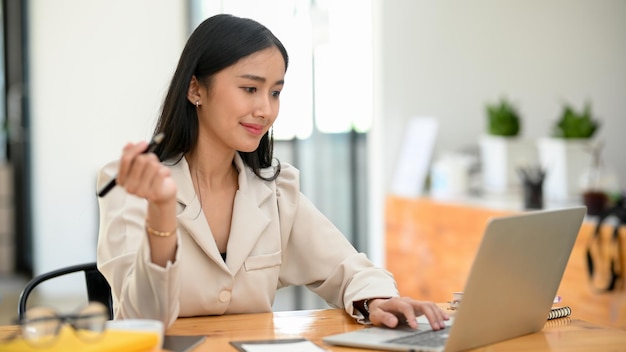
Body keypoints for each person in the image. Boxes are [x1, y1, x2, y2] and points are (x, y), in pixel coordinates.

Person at [96, 13, 449, 330]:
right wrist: (160, 211)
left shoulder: (275, 189)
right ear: (195, 88)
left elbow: (346, 267)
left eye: (275, 92)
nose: (266, 110)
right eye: (250, 89)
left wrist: (378, 301)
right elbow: (140, 321)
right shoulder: (131, 186)